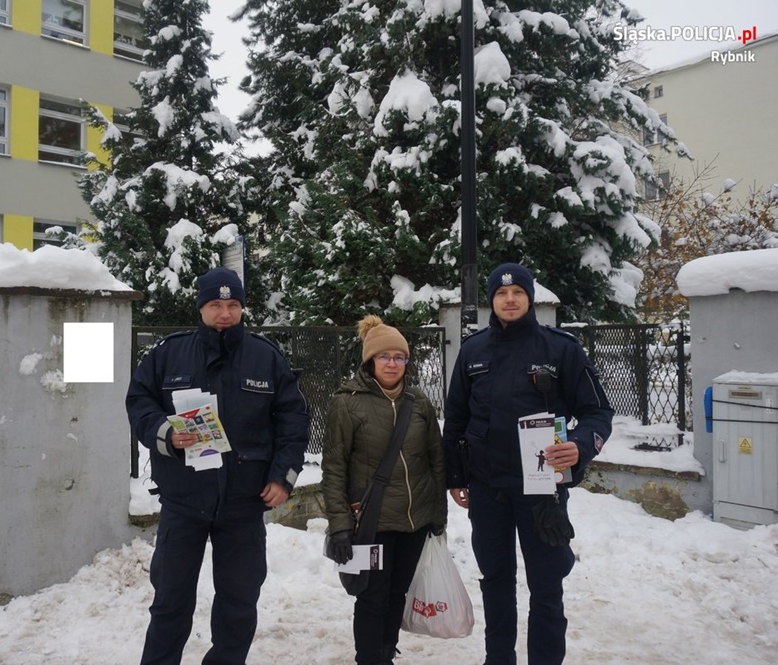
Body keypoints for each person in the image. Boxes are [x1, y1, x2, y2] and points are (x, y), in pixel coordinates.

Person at [126, 267, 310, 665]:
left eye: (232, 305)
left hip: (244, 502)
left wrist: (284, 476)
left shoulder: (266, 357)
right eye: (215, 304)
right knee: (170, 601)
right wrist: (166, 434)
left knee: (238, 605)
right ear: (201, 307)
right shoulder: (167, 353)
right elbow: (139, 403)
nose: (224, 313)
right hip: (183, 500)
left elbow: (293, 421)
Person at [442, 263, 614, 665]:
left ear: (530, 297)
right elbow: (456, 420)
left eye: (518, 292)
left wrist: (580, 445)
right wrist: (455, 476)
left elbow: (598, 412)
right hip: (488, 489)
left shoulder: (561, 349)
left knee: (547, 585)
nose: (510, 299)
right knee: (496, 583)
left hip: (543, 491)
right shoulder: (473, 351)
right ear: (491, 301)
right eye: (501, 294)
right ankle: (498, 659)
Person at [322, 315, 447, 665]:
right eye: (384, 357)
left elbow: (436, 461)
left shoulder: (419, 402)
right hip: (371, 522)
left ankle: (385, 655)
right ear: (370, 361)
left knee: (397, 595)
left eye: (399, 357)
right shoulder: (347, 403)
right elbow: (333, 468)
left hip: (414, 521)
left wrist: (438, 514)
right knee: (372, 599)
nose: (392, 364)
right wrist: (340, 525)